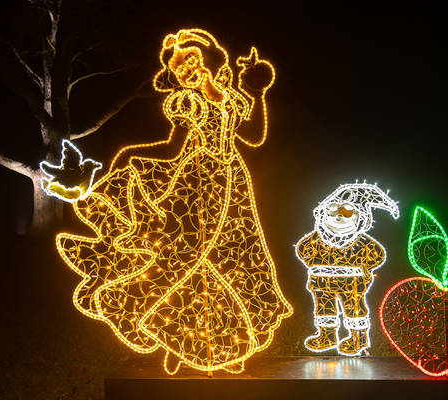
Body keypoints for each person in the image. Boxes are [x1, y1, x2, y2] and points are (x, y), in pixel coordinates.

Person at [53, 29, 292, 374]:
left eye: (191, 58)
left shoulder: (231, 98)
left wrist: (256, 91)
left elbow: (253, 136)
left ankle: (224, 346)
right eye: (179, 67)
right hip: (199, 182)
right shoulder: (187, 102)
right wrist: (131, 156)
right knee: (188, 256)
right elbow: (172, 148)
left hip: (235, 184)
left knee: (235, 257)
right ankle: (146, 317)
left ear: (211, 57)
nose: (187, 68)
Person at [295, 183, 399, 355]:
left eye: (347, 213)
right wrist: (316, 265)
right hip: (321, 283)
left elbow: (377, 255)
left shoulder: (361, 243)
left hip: (351, 284)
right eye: (333, 211)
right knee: (325, 308)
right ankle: (327, 336)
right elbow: (303, 250)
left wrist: (363, 269)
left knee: (354, 310)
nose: (338, 217)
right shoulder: (316, 239)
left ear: (360, 220)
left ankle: (358, 338)